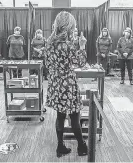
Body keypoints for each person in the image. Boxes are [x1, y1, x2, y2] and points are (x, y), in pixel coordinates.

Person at [45, 11, 87, 158]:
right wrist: (82, 46)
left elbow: (47, 64)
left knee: (60, 116)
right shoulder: (69, 45)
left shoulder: (49, 43)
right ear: (69, 26)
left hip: (56, 84)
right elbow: (80, 63)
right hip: (68, 84)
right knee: (75, 116)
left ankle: (60, 146)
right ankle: (82, 146)